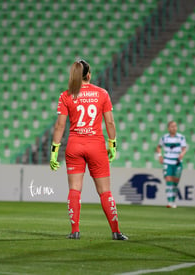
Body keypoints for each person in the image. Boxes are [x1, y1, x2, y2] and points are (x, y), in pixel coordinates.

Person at [50, 60, 128, 240]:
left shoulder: (66, 95)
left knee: (75, 189)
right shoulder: (102, 93)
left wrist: (54, 151)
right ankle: (116, 232)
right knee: (105, 191)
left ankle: (75, 231)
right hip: (96, 146)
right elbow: (110, 122)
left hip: (74, 145)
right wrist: (112, 144)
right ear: (89, 75)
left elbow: (59, 126)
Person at [156, 121, 187, 208]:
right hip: (167, 162)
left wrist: (182, 154)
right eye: (172, 126)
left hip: (177, 162)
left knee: (175, 182)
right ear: (168, 128)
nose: (174, 128)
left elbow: (184, 148)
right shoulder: (164, 138)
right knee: (169, 180)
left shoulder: (181, 137)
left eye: (175, 126)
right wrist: (160, 156)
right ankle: (169, 202)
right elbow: (159, 147)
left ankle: (173, 200)